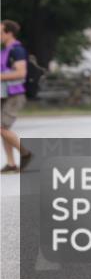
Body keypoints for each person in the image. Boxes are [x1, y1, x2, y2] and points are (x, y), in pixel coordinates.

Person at [1, 20, 33, 173]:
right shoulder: (5, 50)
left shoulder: (17, 50)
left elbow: (21, 73)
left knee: (2, 128)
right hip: (5, 94)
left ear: (9, 33)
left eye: (0, 32)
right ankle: (11, 163)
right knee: (4, 129)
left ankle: (26, 154)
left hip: (15, 94)